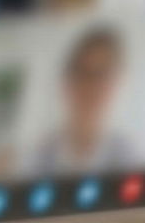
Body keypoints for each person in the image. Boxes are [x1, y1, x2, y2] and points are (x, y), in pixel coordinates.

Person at [25, 26, 136, 176]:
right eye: (84, 73)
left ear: (115, 82)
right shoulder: (37, 155)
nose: (91, 86)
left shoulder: (129, 159)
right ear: (68, 81)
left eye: (101, 75)